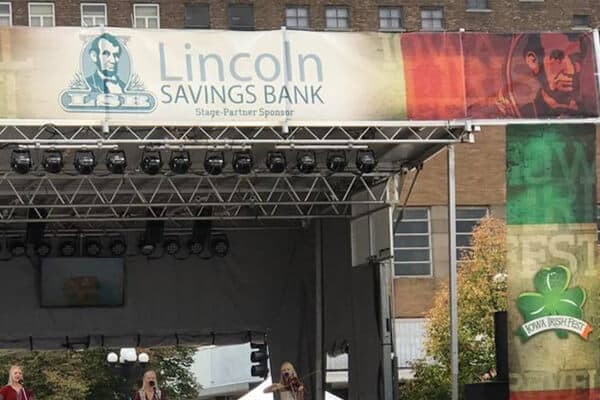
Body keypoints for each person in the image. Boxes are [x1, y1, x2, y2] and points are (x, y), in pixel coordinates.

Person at [520, 33, 588, 118]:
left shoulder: (590, 111)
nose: (571, 70)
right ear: (532, 61)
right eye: (558, 58)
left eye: (576, 59)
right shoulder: (525, 115)